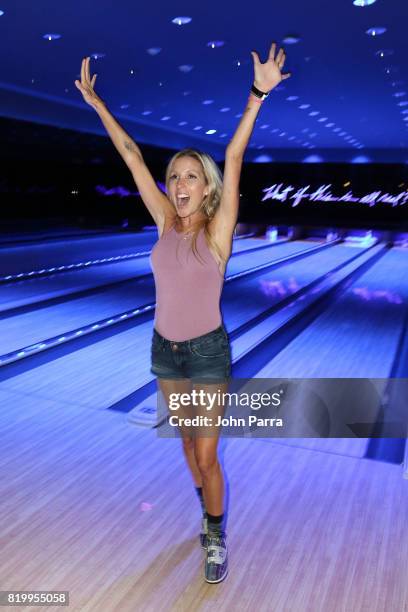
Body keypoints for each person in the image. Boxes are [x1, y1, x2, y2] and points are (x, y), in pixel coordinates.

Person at [75, 43, 290, 584]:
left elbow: (235, 157)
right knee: (191, 452)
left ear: (208, 186)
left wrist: (257, 95)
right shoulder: (164, 221)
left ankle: (215, 534)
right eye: (175, 177)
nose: (180, 184)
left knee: (208, 454)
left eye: (191, 177)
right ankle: (205, 508)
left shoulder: (218, 233)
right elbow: (129, 155)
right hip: (165, 352)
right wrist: (98, 104)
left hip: (207, 354)